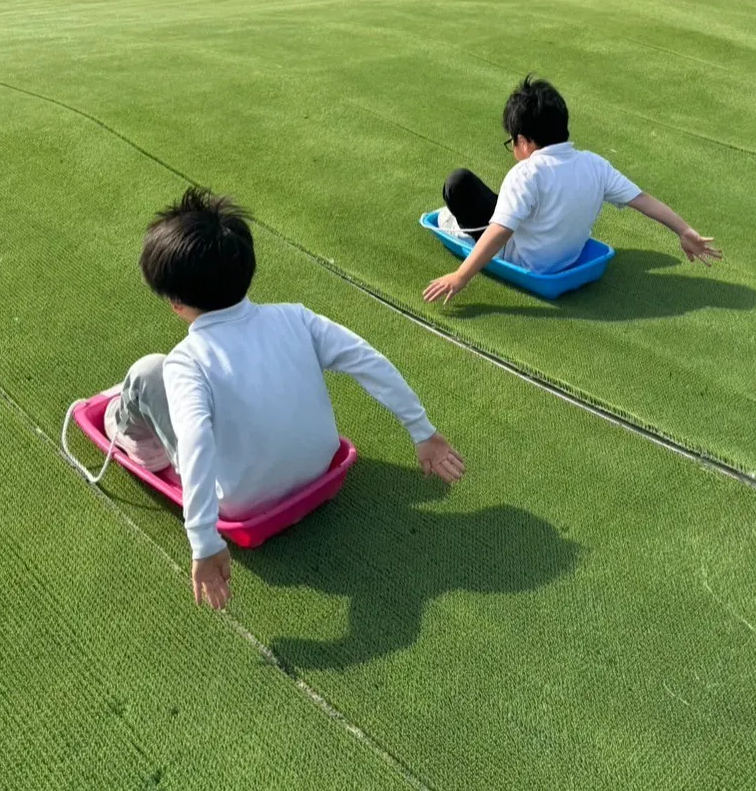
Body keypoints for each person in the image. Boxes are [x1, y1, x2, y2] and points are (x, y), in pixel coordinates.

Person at [106, 187, 465, 610]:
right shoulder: (295, 317)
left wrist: (203, 542)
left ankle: (134, 437)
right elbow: (369, 362)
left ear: (174, 303)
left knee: (147, 371)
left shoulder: (185, 362)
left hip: (241, 501)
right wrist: (422, 432)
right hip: (319, 464)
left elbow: (197, 443)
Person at [423, 77, 721, 304]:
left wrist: (461, 276)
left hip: (523, 259)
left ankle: (454, 225)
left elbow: (500, 231)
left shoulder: (525, 174)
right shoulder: (595, 164)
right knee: (510, 206)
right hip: (568, 258)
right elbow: (641, 200)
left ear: (524, 141)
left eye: (512, 142)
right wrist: (683, 229)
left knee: (458, 184)